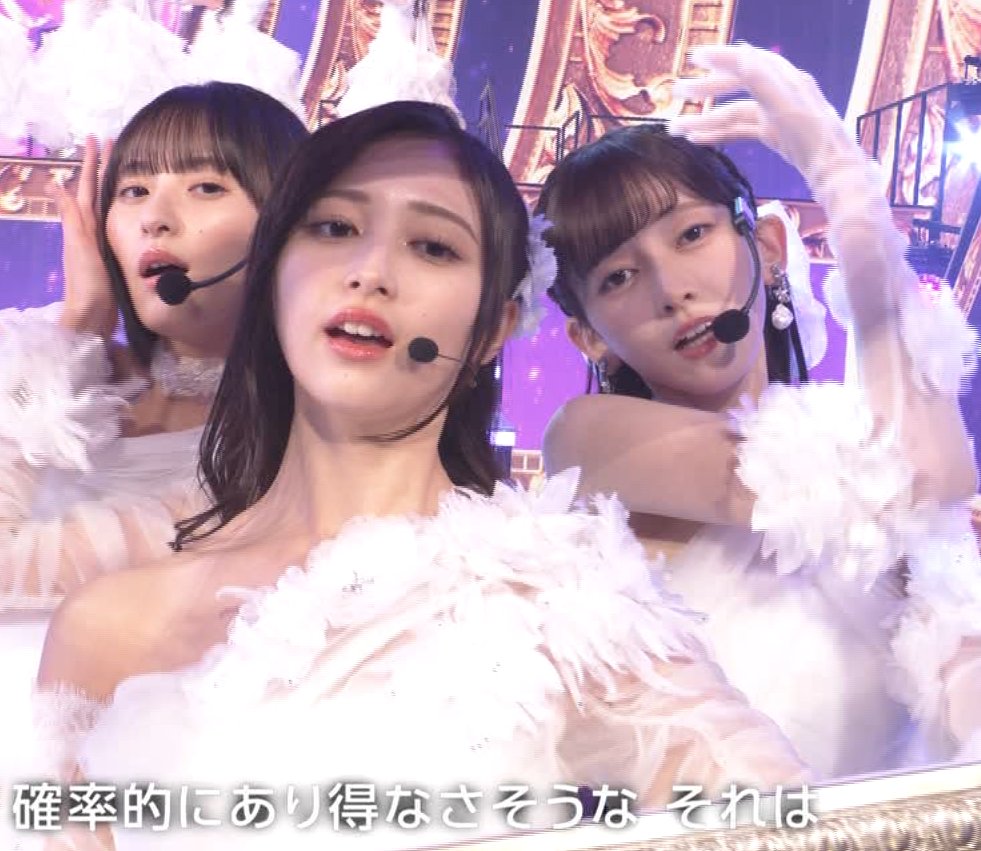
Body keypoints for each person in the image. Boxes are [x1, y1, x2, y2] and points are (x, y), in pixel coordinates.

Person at [21, 100, 809, 851]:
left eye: (432, 247)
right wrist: (72, 333)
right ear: (273, 273)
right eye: (334, 227)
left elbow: (801, 824)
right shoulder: (108, 622)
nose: (370, 272)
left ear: (494, 326)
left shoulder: (563, 603)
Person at [536, 42, 981, 781]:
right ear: (588, 335)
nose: (671, 289)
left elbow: (935, 488)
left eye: (692, 234)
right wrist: (846, 188)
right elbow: (918, 478)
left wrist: (844, 184)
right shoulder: (585, 439)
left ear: (768, 245)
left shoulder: (860, 433)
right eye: (618, 276)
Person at [0, 82, 308, 814]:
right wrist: (77, 330)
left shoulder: (291, 446)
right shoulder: (42, 357)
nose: (155, 218)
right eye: (133, 190)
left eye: (206, 187)